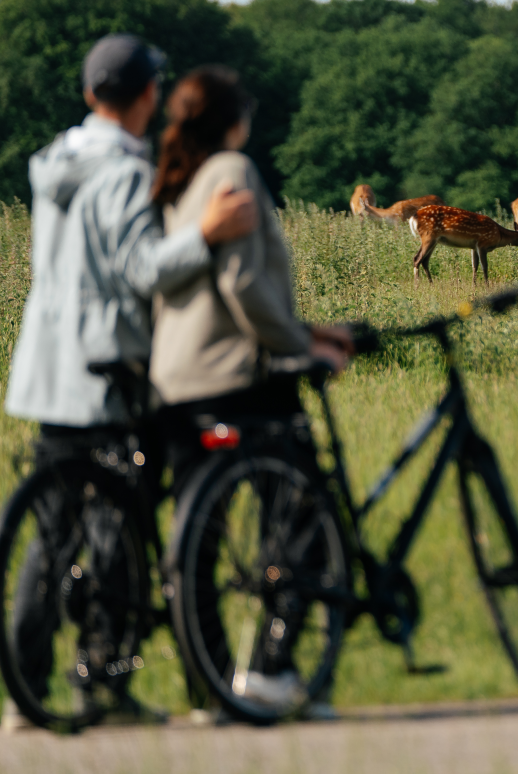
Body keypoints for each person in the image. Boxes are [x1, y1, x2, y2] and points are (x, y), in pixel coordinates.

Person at [0, 34, 257, 728]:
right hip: (106, 367)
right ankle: (103, 683)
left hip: (50, 368)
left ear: (89, 95)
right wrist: (205, 232)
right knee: (116, 527)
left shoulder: (58, 161)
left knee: (51, 535)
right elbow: (141, 267)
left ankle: (23, 693)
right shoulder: (120, 171)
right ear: (146, 96)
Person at [148, 65, 353, 716]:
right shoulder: (232, 172)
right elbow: (240, 285)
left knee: (197, 540)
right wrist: (300, 344)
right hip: (235, 371)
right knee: (300, 513)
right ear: (234, 121)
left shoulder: (177, 182)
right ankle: (272, 667)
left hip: (175, 378)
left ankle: (208, 687)